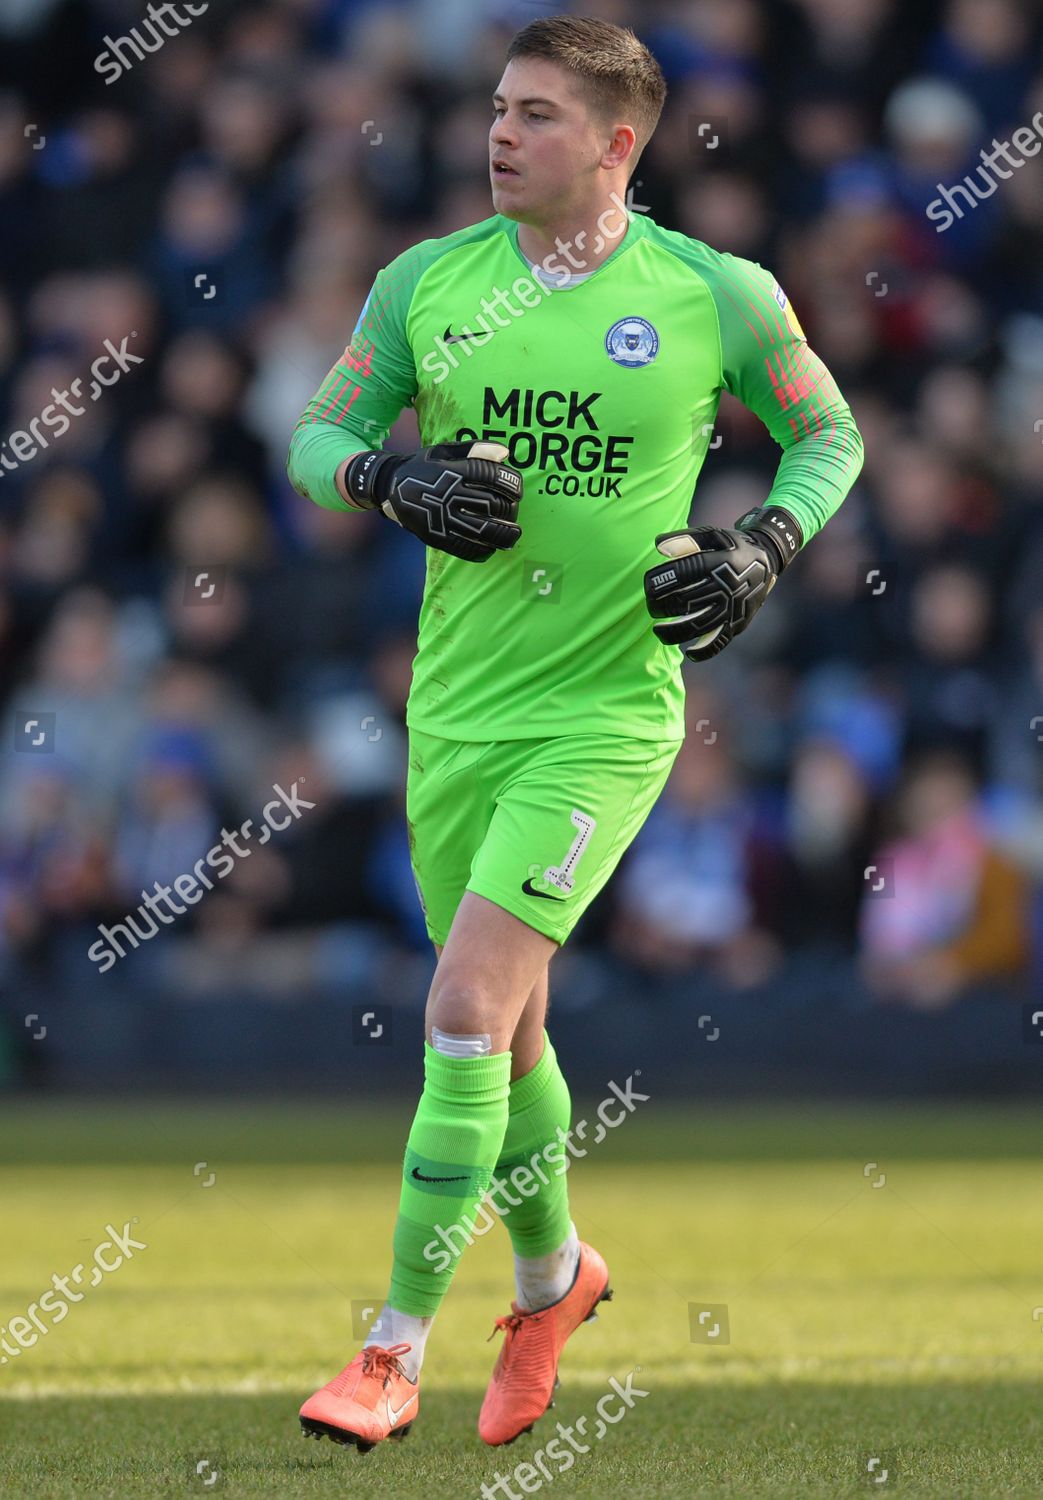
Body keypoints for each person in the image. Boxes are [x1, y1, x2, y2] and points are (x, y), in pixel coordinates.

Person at [286, 13, 863, 1453]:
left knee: (465, 1013)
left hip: (607, 714)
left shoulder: (716, 292)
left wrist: (759, 551)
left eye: (537, 114)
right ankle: (556, 1280)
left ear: (618, 144)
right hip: (459, 713)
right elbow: (310, 439)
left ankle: (388, 1352)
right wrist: (389, 479)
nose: (498, 133)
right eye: (497, 106)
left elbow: (831, 436)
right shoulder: (425, 283)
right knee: (516, 1027)